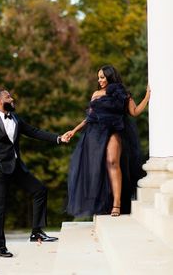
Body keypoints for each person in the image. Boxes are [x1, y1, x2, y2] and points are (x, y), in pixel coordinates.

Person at [0, 89, 68, 257]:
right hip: (0, 170)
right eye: (8, 97)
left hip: (17, 166)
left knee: (40, 190)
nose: (12, 99)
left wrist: (58, 138)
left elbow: (34, 132)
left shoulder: (16, 119)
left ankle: (36, 232)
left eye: (11, 96)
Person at [64, 65, 150, 218]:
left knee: (112, 161)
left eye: (102, 77)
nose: (100, 80)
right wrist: (74, 130)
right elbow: (90, 117)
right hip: (96, 133)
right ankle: (106, 203)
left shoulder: (123, 93)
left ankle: (117, 204)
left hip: (115, 130)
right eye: (98, 77)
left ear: (110, 76)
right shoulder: (96, 94)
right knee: (99, 167)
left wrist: (147, 97)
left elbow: (134, 112)